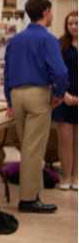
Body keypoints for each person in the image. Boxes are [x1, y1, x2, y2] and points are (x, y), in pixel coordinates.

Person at [5, 0, 71, 212]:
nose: (52, 15)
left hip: (16, 95)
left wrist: (9, 100)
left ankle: (33, 193)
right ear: (45, 12)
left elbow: (6, 72)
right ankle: (28, 199)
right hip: (38, 94)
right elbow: (60, 72)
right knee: (33, 150)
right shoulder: (48, 39)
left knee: (27, 148)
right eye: (51, 11)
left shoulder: (15, 40)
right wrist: (60, 93)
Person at [52, 10, 78, 189]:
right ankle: (66, 177)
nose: (74, 27)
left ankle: (77, 177)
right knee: (65, 140)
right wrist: (64, 95)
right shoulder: (60, 44)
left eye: (77, 23)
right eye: (71, 23)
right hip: (64, 97)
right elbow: (54, 71)